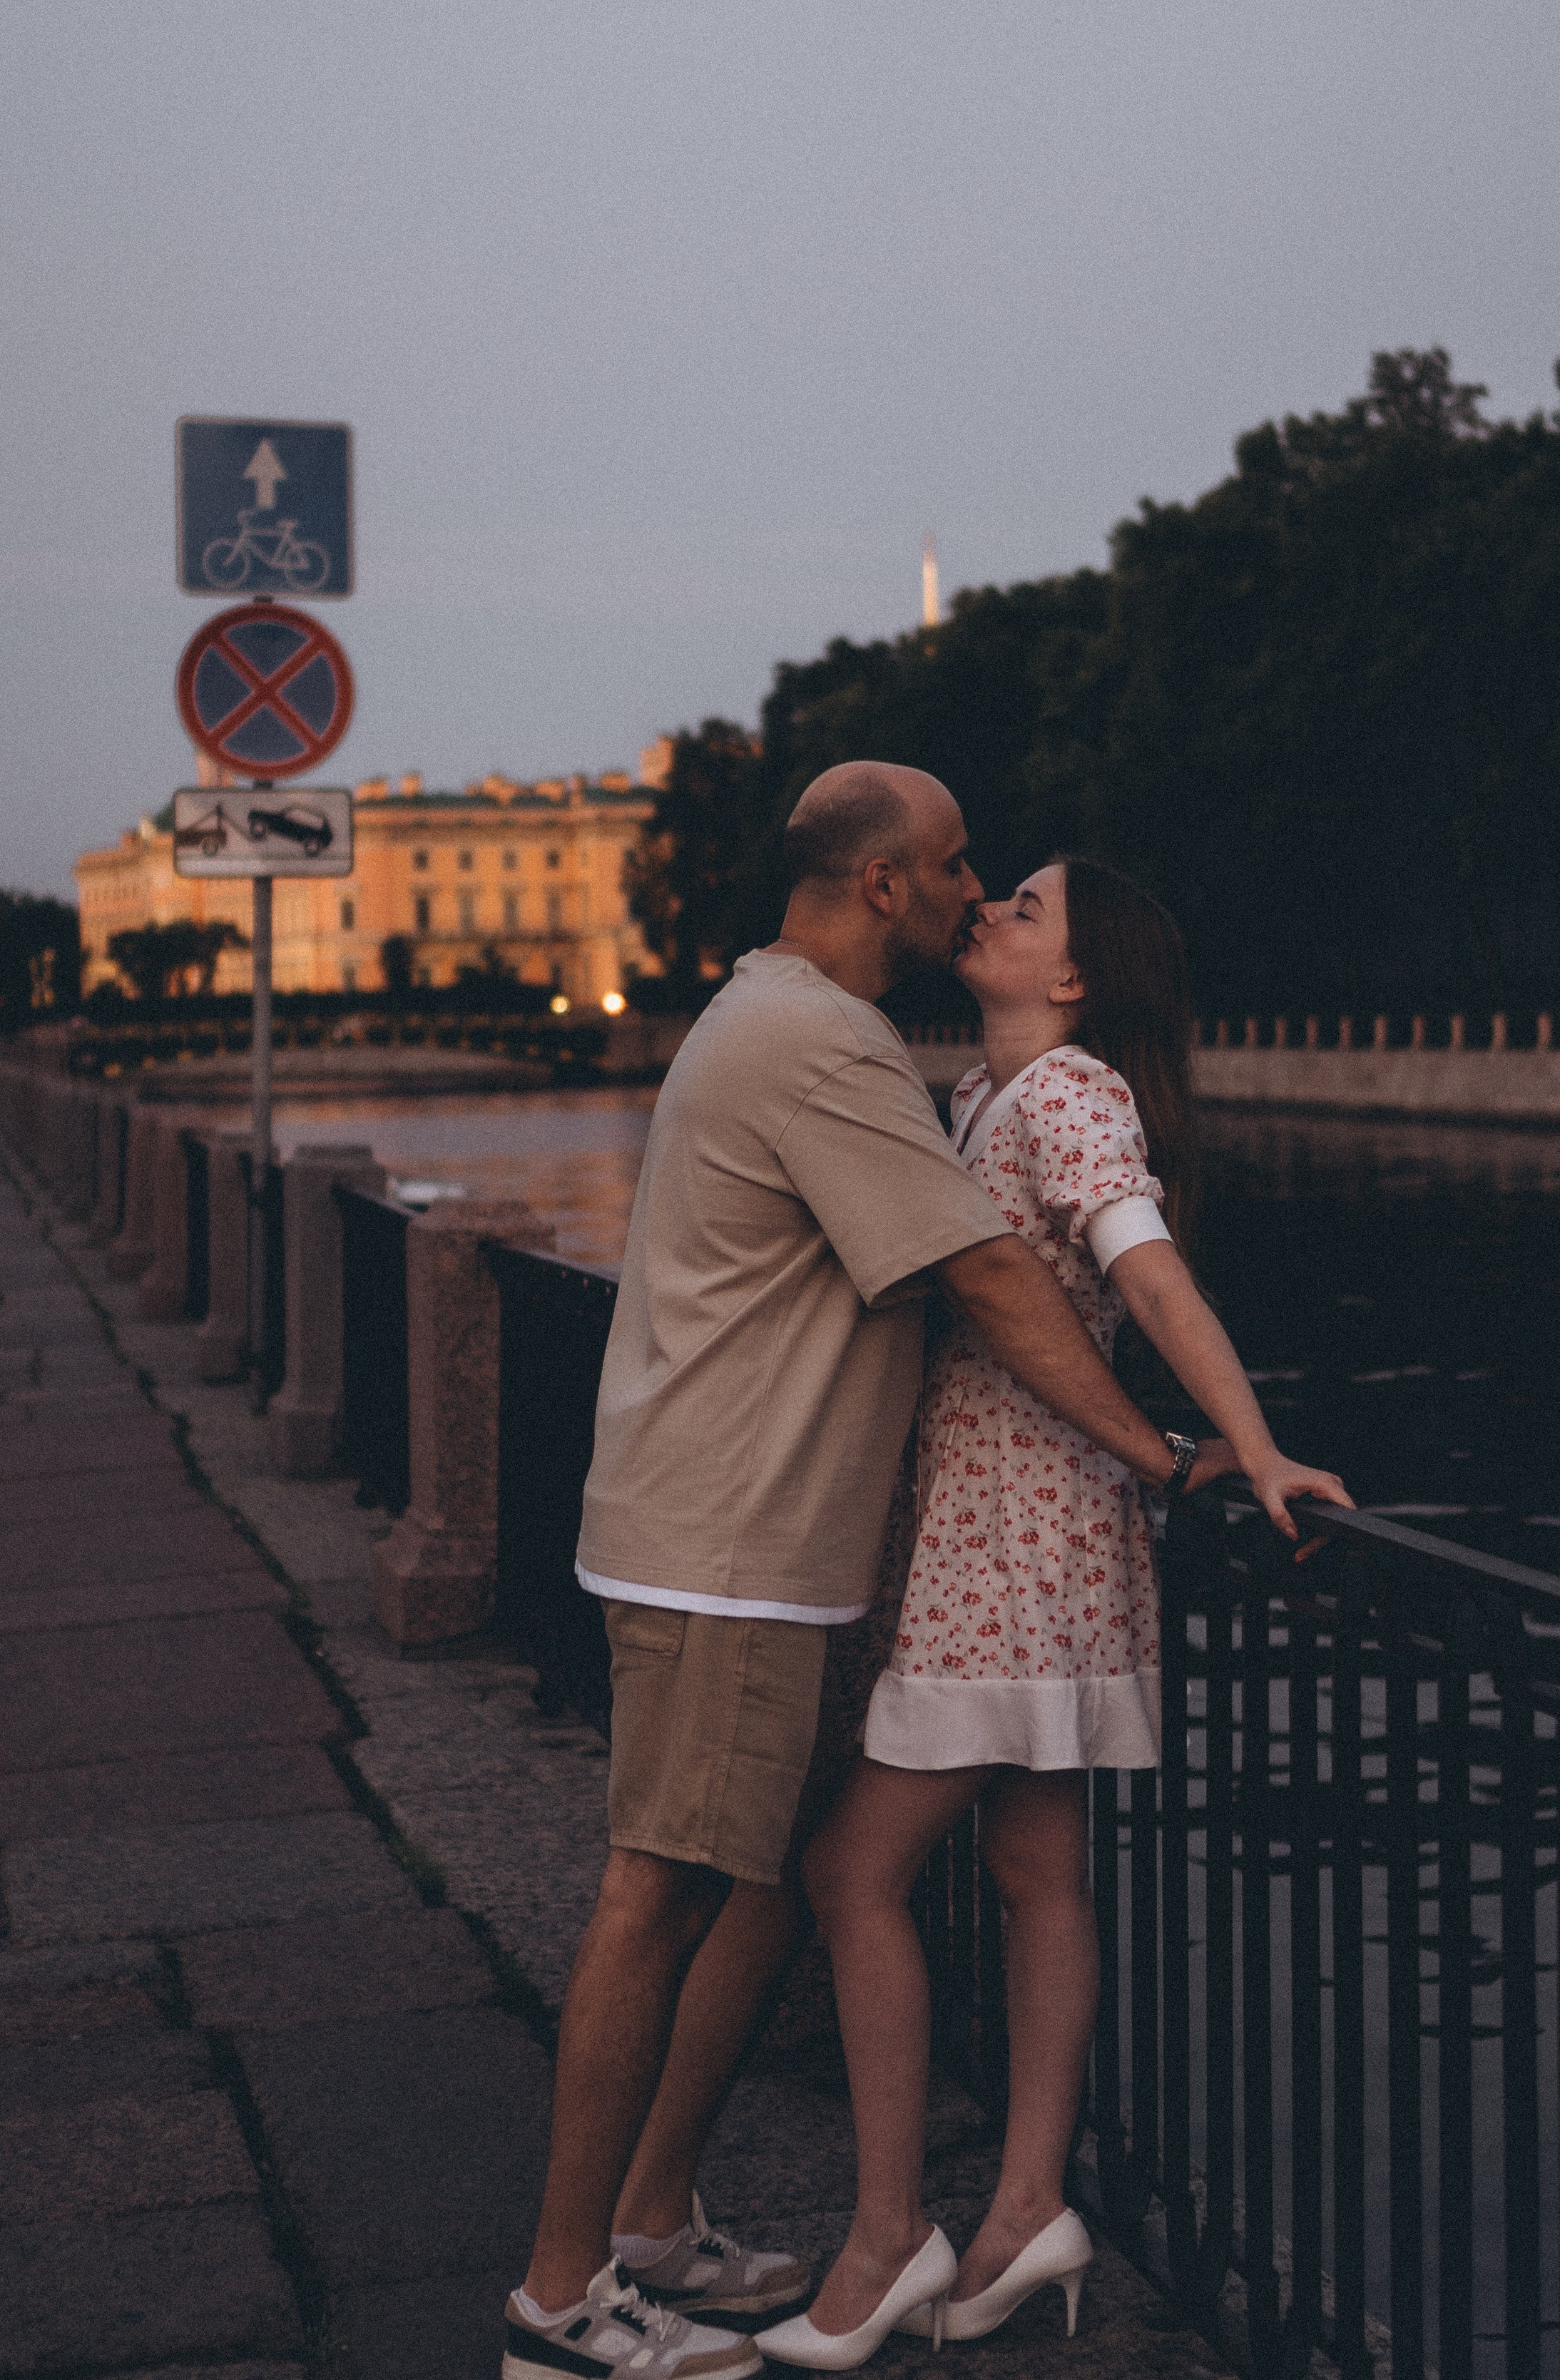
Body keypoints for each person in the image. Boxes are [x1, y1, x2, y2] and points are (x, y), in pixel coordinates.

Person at [504, 776, 1242, 2380]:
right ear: (888, 885)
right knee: (672, 1885)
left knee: (779, 1880)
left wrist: (1195, 1439)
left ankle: (663, 2229)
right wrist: (1166, 1454)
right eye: (963, 863)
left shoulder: (810, 1028)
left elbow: (1077, 1255)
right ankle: (564, 2308)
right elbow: (981, 1272)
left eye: (1010, 885)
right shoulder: (835, 1048)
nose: (977, 889)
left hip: (799, 1543)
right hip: (736, 1547)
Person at [758, 858, 1354, 2368]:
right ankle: (1026, 2207)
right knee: (1035, 1868)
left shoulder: (1069, 1094)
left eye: (1023, 909)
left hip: (1012, 1540)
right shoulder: (981, 1091)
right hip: (1032, 1529)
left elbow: (1148, 1279)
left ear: (1076, 981)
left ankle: (889, 2236)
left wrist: (1256, 1442)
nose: (991, 914)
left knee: (848, 1870)